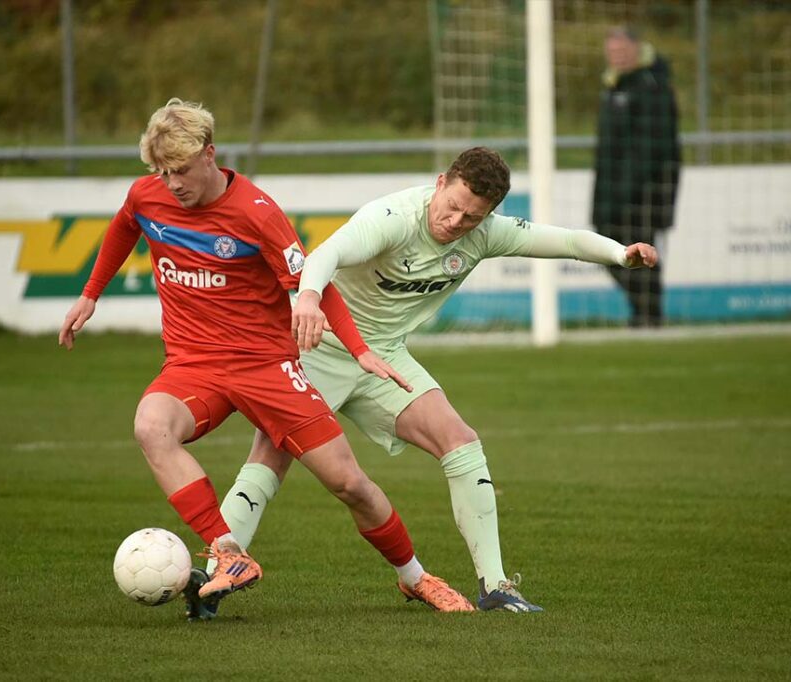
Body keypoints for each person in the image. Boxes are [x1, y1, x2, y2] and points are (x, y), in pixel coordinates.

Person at [58, 98, 475, 619]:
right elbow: (125, 224)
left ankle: (415, 578)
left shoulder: (257, 212)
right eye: (162, 172)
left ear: (211, 154)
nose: (172, 184)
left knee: (350, 485)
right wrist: (91, 293)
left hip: (266, 367)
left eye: (182, 170)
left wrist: (361, 350)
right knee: (151, 426)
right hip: (194, 364)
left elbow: (313, 285)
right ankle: (228, 552)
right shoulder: (148, 196)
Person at [211, 146, 659, 613]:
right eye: (453, 207)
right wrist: (306, 299)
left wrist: (619, 254)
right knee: (270, 454)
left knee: (461, 442)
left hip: (384, 358)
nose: (456, 222)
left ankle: (496, 586)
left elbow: (565, 241)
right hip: (318, 347)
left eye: (471, 217)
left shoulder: (483, 234)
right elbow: (327, 253)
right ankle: (215, 573)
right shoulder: (392, 217)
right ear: (441, 182)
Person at [593, 26, 681, 328]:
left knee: (641, 252)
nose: (616, 56)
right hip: (612, 191)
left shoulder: (651, 85)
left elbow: (655, 148)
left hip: (643, 192)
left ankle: (649, 315)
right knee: (611, 250)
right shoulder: (614, 85)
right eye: (612, 51)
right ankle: (644, 312)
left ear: (636, 49)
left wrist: (638, 190)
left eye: (621, 50)